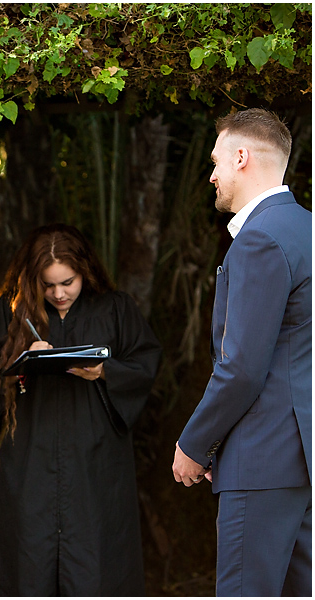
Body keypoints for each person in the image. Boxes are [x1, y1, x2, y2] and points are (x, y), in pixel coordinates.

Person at [0, 223, 161, 596]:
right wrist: (20, 361)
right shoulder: (12, 311)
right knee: (29, 564)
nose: (58, 294)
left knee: (95, 565)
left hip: (96, 465)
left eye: (67, 282)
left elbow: (145, 364)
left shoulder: (115, 308)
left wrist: (106, 370)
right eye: (48, 284)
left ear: (84, 273)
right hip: (31, 462)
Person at [172, 108, 312, 596]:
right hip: (302, 459)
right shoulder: (306, 230)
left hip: (261, 459)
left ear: (242, 156)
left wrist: (195, 444)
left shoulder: (259, 239)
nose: (211, 175)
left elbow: (243, 369)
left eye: (216, 161)